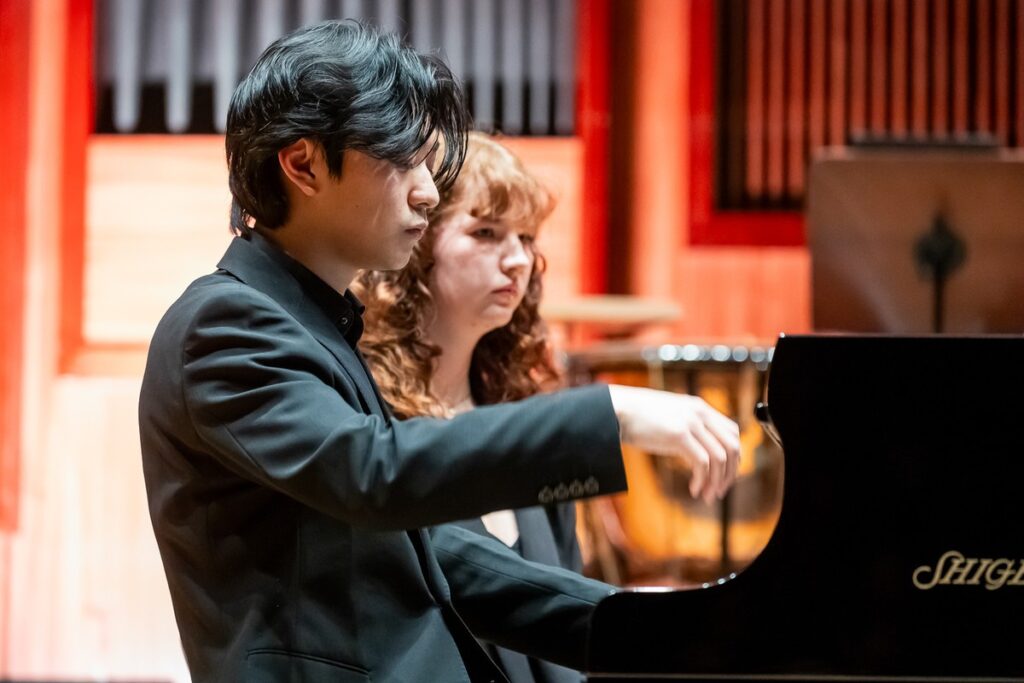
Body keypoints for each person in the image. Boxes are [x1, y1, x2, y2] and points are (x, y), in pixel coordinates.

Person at [138, 20, 740, 683]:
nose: (427, 189)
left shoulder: (319, 327)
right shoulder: (225, 324)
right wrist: (609, 414)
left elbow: (440, 559)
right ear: (303, 164)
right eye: (405, 160)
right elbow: (375, 473)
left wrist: (669, 631)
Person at [354, 131, 585, 682]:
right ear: (418, 243)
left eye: (526, 238)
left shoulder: (530, 425)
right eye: (486, 233)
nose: (518, 260)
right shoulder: (367, 425)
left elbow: (569, 621)